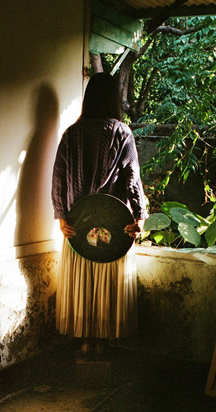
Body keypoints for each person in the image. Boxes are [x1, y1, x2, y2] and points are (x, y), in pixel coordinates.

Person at [51, 72, 148, 355]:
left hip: (78, 224)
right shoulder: (122, 133)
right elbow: (132, 178)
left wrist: (62, 217)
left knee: (83, 281)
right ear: (113, 99)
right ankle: (103, 342)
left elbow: (58, 177)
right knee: (106, 281)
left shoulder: (71, 134)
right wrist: (139, 216)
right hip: (114, 224)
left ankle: (84, 340)